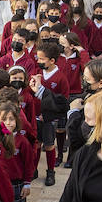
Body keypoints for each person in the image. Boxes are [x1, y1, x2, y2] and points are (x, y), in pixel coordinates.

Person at [29, 40, 71, 186]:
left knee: (49, 145)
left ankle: (50, 171)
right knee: (36, 144)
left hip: (49, 118)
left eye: (42, 59)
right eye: (38, 58)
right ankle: (33, 170)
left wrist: (43, 93)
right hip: (36, 116)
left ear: (52, 60)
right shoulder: (37, 73)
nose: (39, 61)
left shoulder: (60, 78)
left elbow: (62, 101)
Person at [65, 57, 102, 166]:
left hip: (91, 161)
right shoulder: (92, 94)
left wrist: (73, 113)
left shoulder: (101, 107)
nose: (83, 81)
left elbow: (76, 138)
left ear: (101, 83)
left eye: (87, 80)